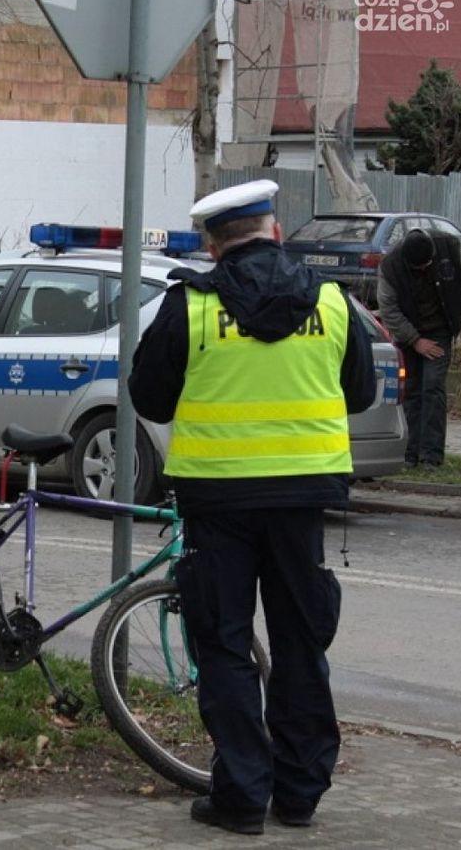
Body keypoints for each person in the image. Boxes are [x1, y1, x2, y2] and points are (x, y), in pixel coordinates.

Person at [128, 179, 376, 835]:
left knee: (224, 646)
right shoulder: (333, 300)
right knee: (300, 647)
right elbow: (360, 392)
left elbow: (149, 398)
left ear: (213, 243)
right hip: (305, 498)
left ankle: (240, 798)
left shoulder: (192, 306)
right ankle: (298, 795)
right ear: (275, 228)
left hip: (219, 500)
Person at [376, 227, 461, 470]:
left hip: (440, 331)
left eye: (429, 264)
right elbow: (389, 310)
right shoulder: (391, 267)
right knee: (411, 391)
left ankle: (431, 457)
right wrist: (415, 340)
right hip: (408, 334)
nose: (426, 269)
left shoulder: (449, 248)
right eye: (420, 267)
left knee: (433, 389)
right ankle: (410, 454)